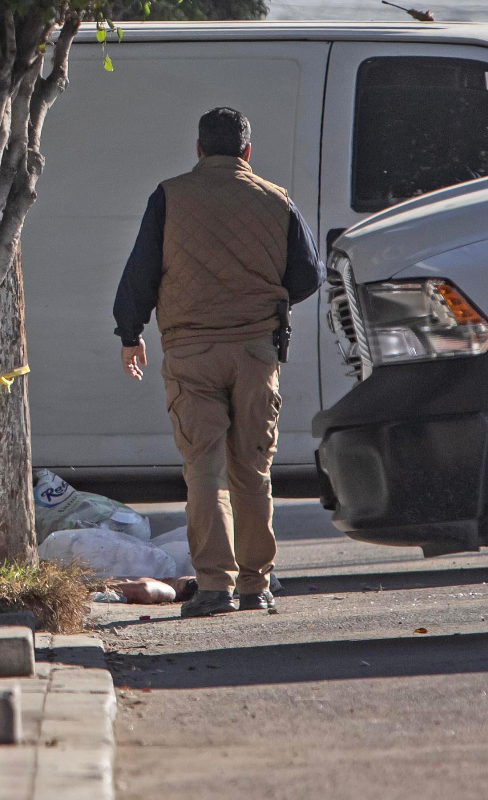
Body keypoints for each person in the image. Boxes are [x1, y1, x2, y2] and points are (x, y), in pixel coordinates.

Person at [113, 108, 325, 618]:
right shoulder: (277, 200)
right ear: (246, 153)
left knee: (203, 470)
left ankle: (213, 588)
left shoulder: (169, 196)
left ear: (200, 150)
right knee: (253, 468)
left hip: (190, 354)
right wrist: (261, 304)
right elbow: (309, 276)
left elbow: (139, 273)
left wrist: (130, 333)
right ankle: (256, 585)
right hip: (257, 352)